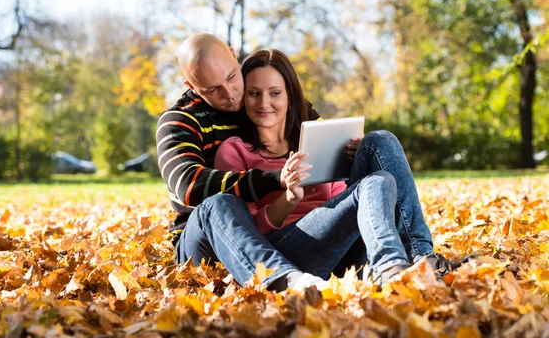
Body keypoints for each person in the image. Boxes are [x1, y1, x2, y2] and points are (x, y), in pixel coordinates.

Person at [156, 33, 462, 291]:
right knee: (219, 204)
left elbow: (329, 170)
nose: (232, 94)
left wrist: (348, 155)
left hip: (308, 238)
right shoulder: (180, 121)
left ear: (235, 58)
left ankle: (420, 257)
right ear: (193, 86)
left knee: (378, 143)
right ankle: (284, 279)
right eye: (213, 90)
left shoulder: (283, 108)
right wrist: (279, 183)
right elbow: (190, 186)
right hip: (206, 240)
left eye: (233, 78)